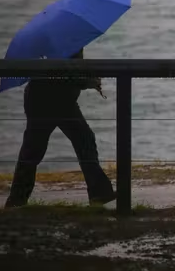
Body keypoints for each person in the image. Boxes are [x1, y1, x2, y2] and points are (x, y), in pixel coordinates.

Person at [4, 48, 116, 208]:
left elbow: (73, 70)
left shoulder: (60, 44)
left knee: (81, 140)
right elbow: (68, 72)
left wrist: (88, 79)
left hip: (53, 98)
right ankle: (16, 201)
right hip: (50, 99)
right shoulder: (67, 44)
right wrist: (90, 81)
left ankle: (100, 193)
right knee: (38, 148)